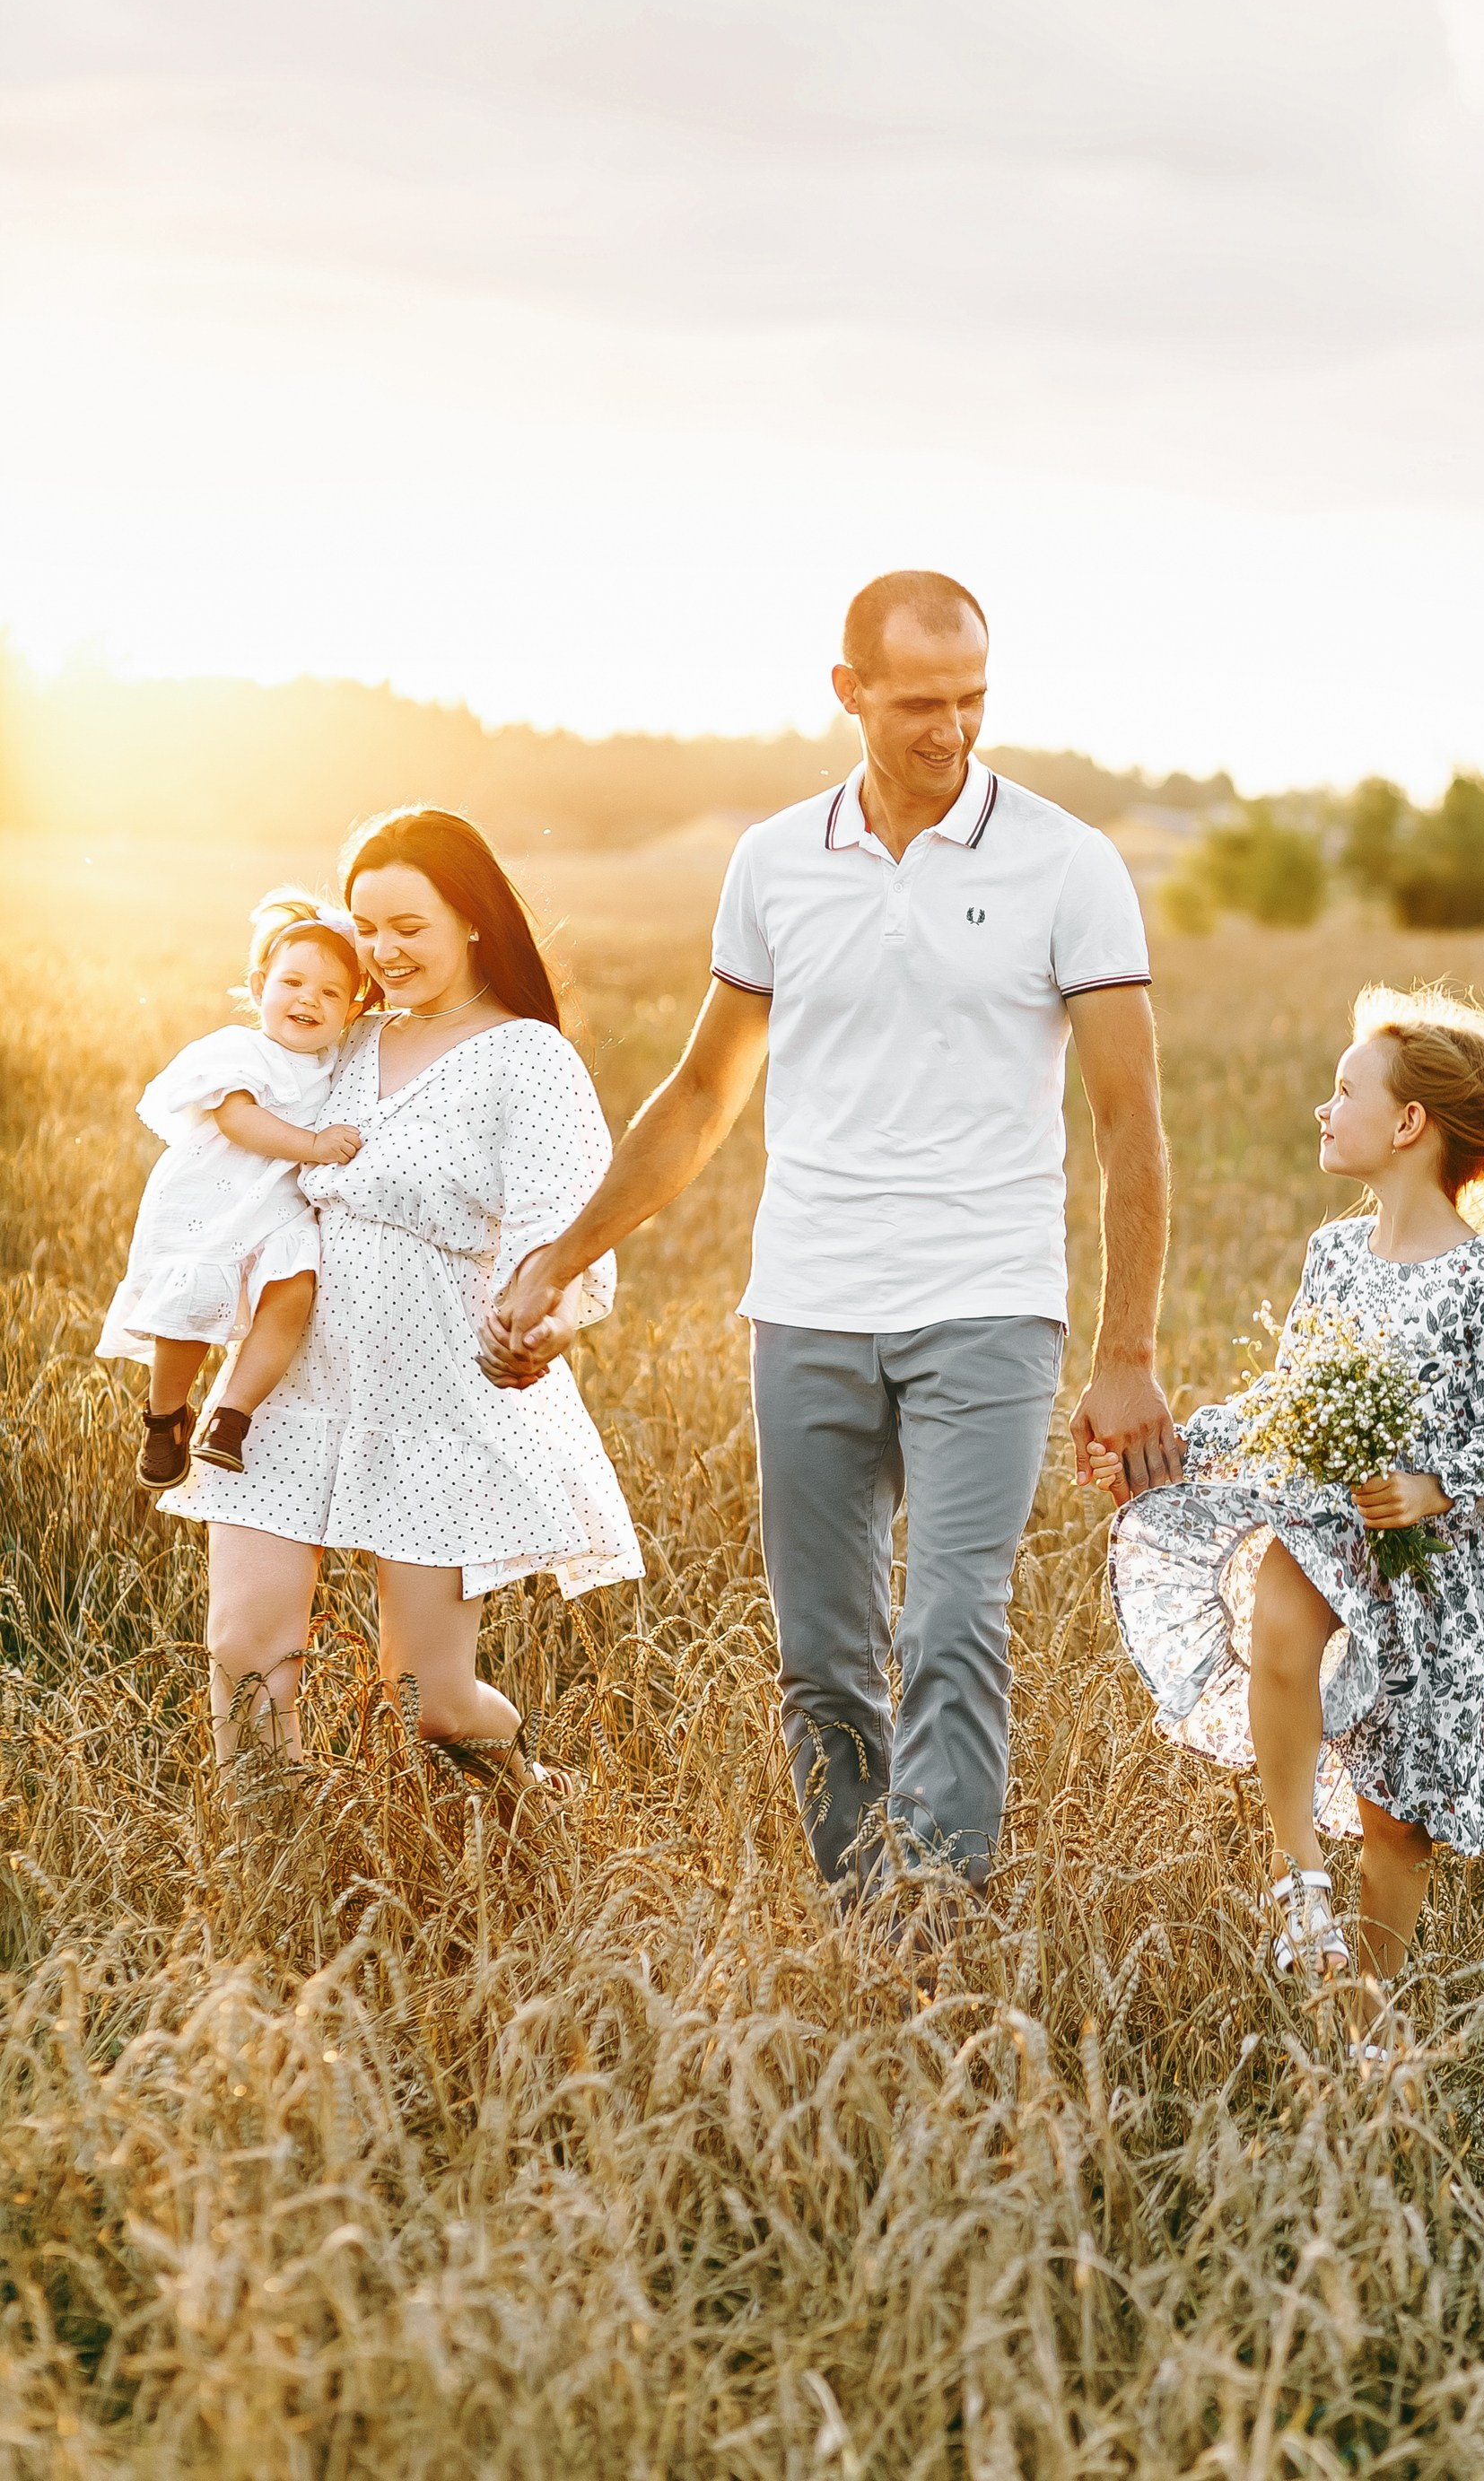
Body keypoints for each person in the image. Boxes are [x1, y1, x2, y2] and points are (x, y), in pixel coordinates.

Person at [484, 568, 1179, 1903]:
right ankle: (863, 1907)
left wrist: (1127, 1349)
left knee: (954, 1622)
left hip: (989, 1299)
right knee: (822, 1653)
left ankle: (936, 1925)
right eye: (921, 701)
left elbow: (1130, 1120)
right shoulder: (773, 861)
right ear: (848, 692)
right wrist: (562, 1254)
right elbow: (701, 1094)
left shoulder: (1067, 864)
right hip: (806, 1301)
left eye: (974, 698)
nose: (953, 729)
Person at [1097, 983, 1484, 2044]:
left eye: (1341, 1089)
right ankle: (1294, 1870)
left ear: (1406, 1124)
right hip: (1332, 1524)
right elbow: (1287, 1399)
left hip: (1447, 1574)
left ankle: (1359, 2015)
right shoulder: (1333, 1257)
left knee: (1400, 1827)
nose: (1321, 1107)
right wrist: (1166, 1453)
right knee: (1279, 1612)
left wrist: (1435, 1489)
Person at [164, 808, 644, 1830]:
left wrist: (545, 1324)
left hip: (434, 1400)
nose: (381, 952)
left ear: (471, 919)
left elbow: (562, 1234)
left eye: (408, 927)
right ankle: (271, 1890)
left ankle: (533, 1801)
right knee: (247, 1653)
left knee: (424, 1704)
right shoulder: (340, 1038)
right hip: (286, 1389)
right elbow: (226, 1135)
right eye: (365, 926)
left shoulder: (528, 1060)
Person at [98, 891, 367, 1489]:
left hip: (281, 1213)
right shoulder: (237, 1049)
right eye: (293, 982)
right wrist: (316, 1145)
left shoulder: (341, 1060)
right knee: (190, 1308)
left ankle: (231, 1417)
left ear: (352, 1009)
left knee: (293, 1296)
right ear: (258, 985)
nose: (308, 1000)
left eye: (330, 993)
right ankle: (165, 1415)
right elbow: (237, 1120)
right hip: (213, 1203)